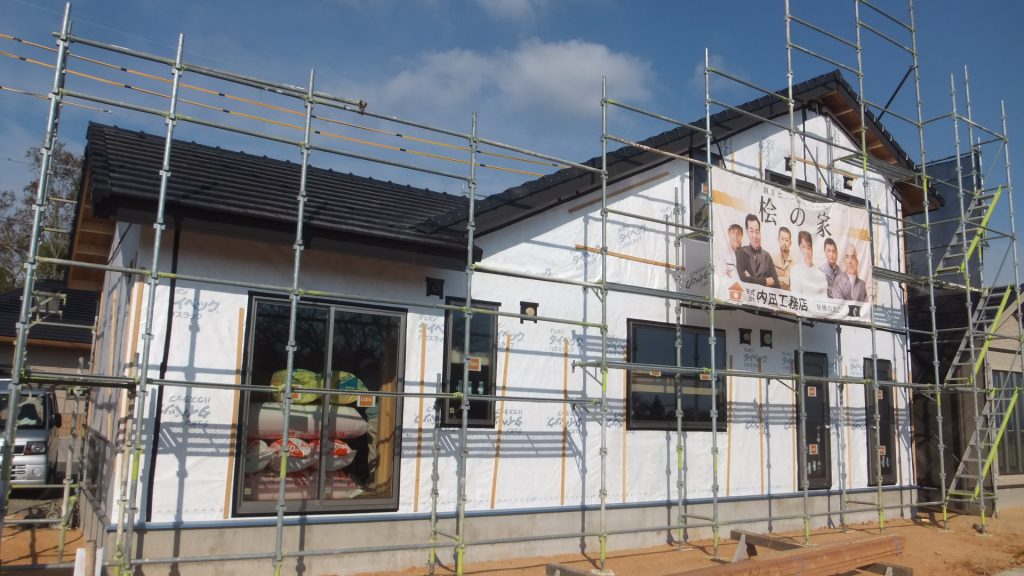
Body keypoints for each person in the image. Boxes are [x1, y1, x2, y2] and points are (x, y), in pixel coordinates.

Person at [736, 214, 780, 287]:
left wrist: (751, 279)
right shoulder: (741, 252)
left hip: (764, 294)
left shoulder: (767, 256)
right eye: (751, 231)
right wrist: (765, 281)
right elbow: (743, 279)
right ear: (747, 232)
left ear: (760, 232)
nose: (755, 236)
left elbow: (776, 283)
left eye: (757, 231)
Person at [790, 231, 829, 297]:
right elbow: (795, 295)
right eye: (803, 247)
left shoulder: (821, 274)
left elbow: (824, 297)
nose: (806, 251)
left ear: (812, 248)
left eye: (808, 247)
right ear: (800, 248)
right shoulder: (795, 271)